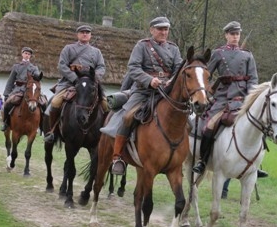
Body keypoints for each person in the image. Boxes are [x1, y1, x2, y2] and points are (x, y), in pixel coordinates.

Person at [108, 17, 181, 175]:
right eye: (160, 29)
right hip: (143, 91)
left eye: (166, 29)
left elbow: (178, 70)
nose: (163, 32)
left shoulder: (174, 49)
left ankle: (179, 157)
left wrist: (171, 81)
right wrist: (149, 80)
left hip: (166, 92)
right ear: (152, 30)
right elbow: (133, 68)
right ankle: (117, 156)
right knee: (127, 117)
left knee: (184, 119)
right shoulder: (142, 46)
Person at [192, 21, 263, 176]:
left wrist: (251, 97)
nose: (235, 37)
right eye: (232, 34)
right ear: (226, 35)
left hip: (243, 98)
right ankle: (202, 161)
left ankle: (257, 164)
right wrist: (205, 91)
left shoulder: (248, 55)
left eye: (237, 34)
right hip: (222, 98)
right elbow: (205, 74)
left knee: (258, 124)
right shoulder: (218, 53)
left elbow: (253, 79)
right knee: (209, 125)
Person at [44, 25, 106, 143]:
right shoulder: (69, 48)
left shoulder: (96, 52)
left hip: (90, 84)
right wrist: (75, 78)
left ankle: (104, 133)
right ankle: (52, 131)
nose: (85, 34)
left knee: (106, 104)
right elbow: (62, 65)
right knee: (55, 102)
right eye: (82, 32)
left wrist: (93, 78)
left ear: (90, 35)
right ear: (77, 34)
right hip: (69, 83)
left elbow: (101, 67)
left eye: (87, 32)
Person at [0, 47, 42, 131]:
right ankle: (6, 123)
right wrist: (6, 93)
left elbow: (37, 77)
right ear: (22, 54)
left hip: (30, 90)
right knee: (7, 104)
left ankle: (41, 126)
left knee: (43, 103)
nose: (27, 55)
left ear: (30, 56)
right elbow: (10, 80)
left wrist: (38, 75)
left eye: (29, 54)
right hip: (18, 90)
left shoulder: (34, 68)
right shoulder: (16, 66)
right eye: (26, 53)